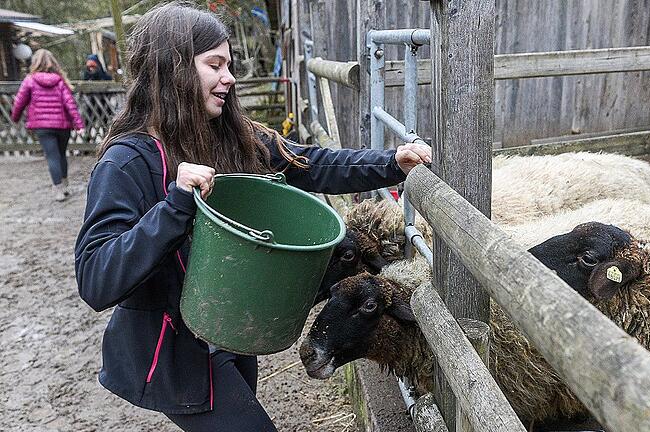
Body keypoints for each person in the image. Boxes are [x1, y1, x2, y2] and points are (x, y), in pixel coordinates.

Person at [73, 3, 431, 432]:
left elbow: (312, 165)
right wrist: (174, 206)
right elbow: (96, 278)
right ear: (173, 69)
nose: (229, 78)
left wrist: (392, 161)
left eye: (229, 65)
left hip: (232, 330)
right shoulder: (127, 163)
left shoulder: (230, 135)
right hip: (174, 353)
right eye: (215, 64)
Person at [11, 49, 85, 201]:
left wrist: (15, 118)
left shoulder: (30, 80)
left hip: (42, 127)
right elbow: (70, 104)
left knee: (52, 156)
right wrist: (79, 124)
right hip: (63, 126)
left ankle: (58, 190)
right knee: (61, 154)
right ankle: (65, 185)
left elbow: (19, 102)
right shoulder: (59, 80)